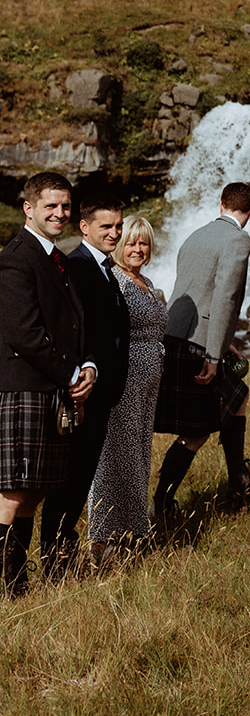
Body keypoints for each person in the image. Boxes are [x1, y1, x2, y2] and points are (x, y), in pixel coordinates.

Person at [0, 173, 96, 596]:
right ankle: (5, 586)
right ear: (29, 208)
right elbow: (24, 331)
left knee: (34, 492)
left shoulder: (58, 256)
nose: (59, 214)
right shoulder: (16, 257)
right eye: (50, 206)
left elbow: (74, 323)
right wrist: (72, 373)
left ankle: (17, 583)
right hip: (23, 389)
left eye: (65, 207)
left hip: (52, 390)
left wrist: (88, 364)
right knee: (13, 493)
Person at [38, 191, 130, 577]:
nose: (115, 233)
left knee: (79, 478)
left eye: (119, 226)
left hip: (102, 392)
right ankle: (56, 555)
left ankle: (62, 548)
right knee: (70, 479)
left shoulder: (104, 267)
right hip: (84, 393)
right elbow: (72, 331)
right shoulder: (76, 266)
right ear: (85, 227)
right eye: (106, 226)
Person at [152, 181, 250, 518]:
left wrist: (225, 342)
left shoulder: (195, 235)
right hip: (198, 346)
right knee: (195, 430)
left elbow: (196, 291)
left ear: (221, 203)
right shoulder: (239, 239)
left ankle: (238, 479)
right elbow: (225, 295)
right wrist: (213, 355)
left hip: (176, 336)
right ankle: (161, 502)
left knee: (237, 396)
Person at [88, 216, 168, 558]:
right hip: (123, 379)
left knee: (137, 455)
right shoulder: (115, 281)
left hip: (148, 384)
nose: (137, 249)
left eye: (143, 243)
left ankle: (133, 531)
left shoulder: (146, 281)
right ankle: (101, 539)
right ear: (120, 245)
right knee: (112, 456)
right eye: (131, 242)